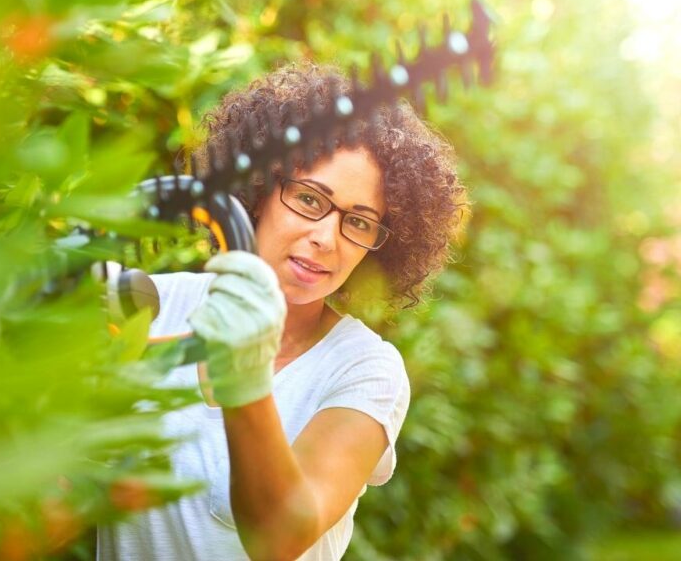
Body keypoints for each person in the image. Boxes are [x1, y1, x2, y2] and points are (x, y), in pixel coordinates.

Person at [98, 63, 465, 560]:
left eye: (358, 222)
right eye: (309, 198)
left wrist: (240, 375)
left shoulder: (365, 369)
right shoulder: (155, 307)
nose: (327, 237)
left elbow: (282, 536)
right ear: (259, 189)